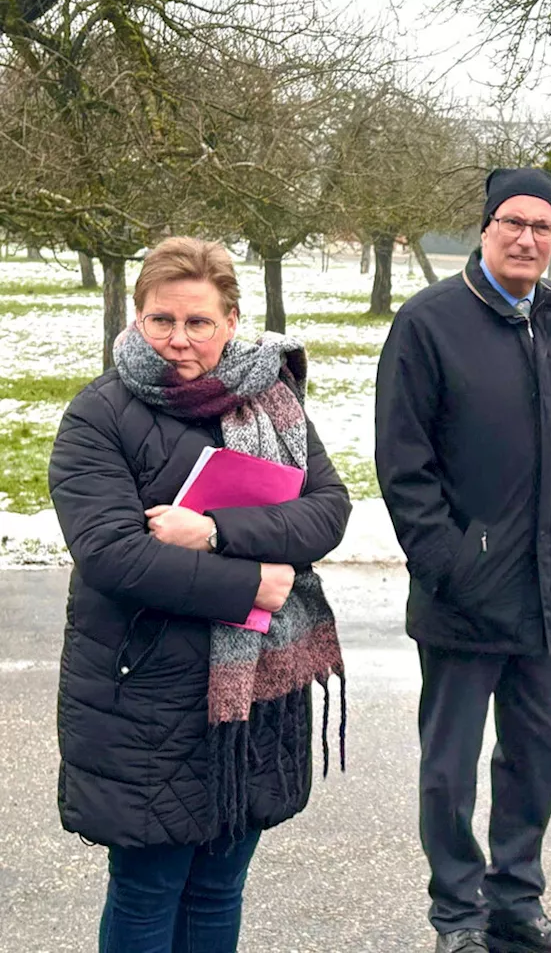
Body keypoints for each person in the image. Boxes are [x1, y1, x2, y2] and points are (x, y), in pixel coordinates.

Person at [48, 236, 351, 953]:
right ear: (137, 317)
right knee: (148, 891)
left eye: (198, 323)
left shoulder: (272, 401)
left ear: (232, 321)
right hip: (144, 693)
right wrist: (255, 583)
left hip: (252, 693)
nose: (178, 341)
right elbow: (112, 554)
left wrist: (214, 531)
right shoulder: (99, 415)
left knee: (219, 889)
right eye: (161, 321)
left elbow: (327, 510)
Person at [375, 168, 551, 953]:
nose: (527, 239)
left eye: (543, 227)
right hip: (464, 594)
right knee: (450, 769)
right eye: (513, 222)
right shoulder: (429, 323)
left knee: (535, 756)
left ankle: (517, 901)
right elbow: (403, 463)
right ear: (484, 228)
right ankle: (459, 915)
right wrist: (448, 559)